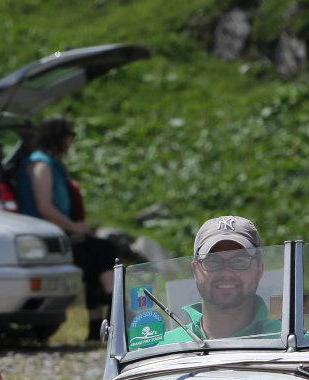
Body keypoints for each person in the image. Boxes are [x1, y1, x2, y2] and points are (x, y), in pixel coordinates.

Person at [15, 115, 119, 340]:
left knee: (99, 256)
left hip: (61, 232)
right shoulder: (40, 165)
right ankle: (114, 306)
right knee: (100, 254)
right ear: (58, 137)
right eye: (70, 135)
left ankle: (100, 322)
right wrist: (74, 227)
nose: (72, 140)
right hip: (45, 236)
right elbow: (44, 208)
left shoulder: (52, 163)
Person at [127, 215, 276, 349]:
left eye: (239, 261)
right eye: (213, 262)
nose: (226, 273)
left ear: (260, 268)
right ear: (195, 269)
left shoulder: (285, 341)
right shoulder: (161, 349)